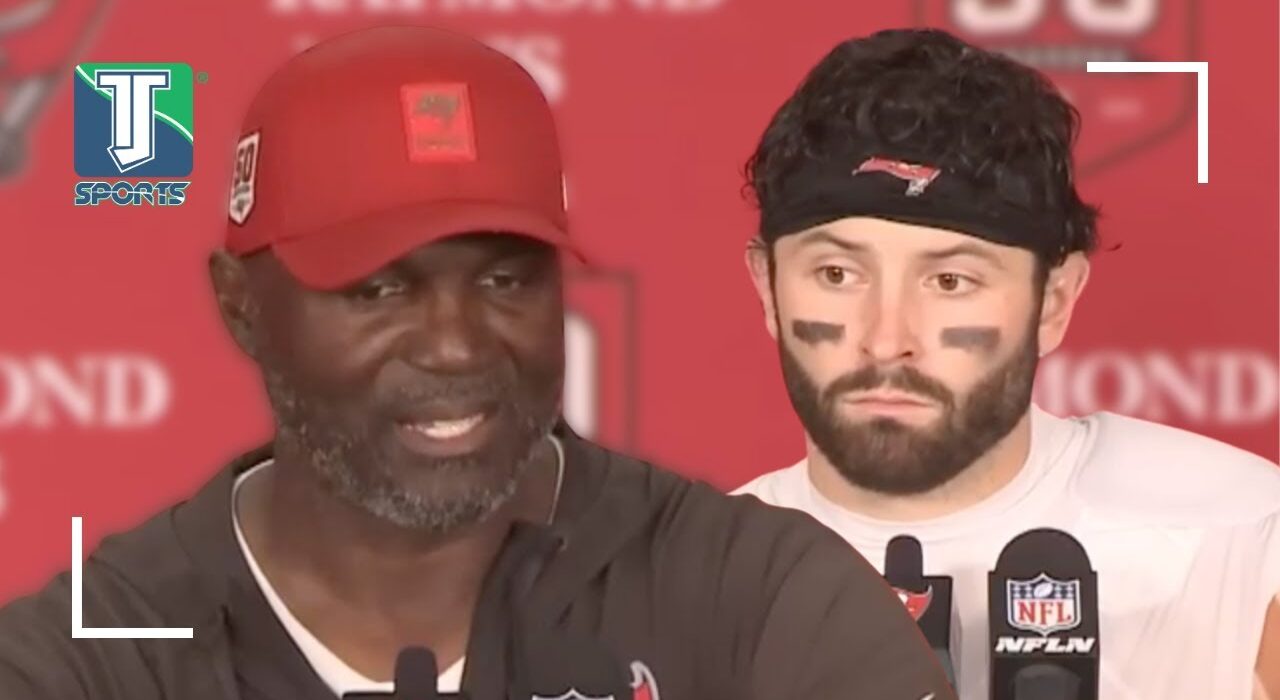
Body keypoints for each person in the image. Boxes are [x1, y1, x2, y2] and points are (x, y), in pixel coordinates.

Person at [0, 25, 955, 700]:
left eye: (504, 281)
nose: (456, 345)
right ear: (241, 307)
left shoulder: (752, 596)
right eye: (379, 289)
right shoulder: (96, 651)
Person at [733, 28, 1280, 700]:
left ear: (1053, 301)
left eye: (950, 281)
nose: (886, 339)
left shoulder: (1241, 539)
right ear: (768, 287)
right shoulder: (683, 584)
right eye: (837, 274)